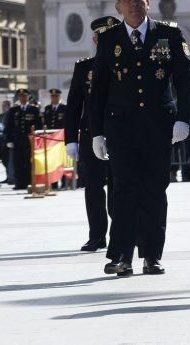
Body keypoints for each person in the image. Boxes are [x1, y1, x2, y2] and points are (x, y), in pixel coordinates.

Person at [90, 0, 190, 277]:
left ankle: (151, 255)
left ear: (148, 2)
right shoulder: (109, 40)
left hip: (158, 126)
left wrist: (183, 119)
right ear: (118, 6)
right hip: (121, 128)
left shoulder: (169, 35)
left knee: (153, 189)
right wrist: (96, 132)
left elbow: (185, 81)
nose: (134, 4)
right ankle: (121, 255)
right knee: (122, 189)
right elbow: (99, 90)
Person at [65, 16, 119, 254]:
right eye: (102, 37)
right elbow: (74, 106)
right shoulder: (84, 67)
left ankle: (121, 234)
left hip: (119, 135)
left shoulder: (124, 64)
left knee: (119, 187)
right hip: (90, 135)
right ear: (96, 39)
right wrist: (70, 140)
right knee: (94, 188)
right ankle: (96, 236)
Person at [4, 89, 41, 191]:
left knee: (29, 162)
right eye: (20, 96)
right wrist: (9, 140)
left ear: (28, 97)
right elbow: (9, 126)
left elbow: (38, 125)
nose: (22, 98)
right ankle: (19, 183)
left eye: (24, 96)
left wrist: (37, 139)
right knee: (18, 162)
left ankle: (29, 182)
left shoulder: (34, 110)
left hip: (30, 141)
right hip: (17, 141)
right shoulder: (13, 110)